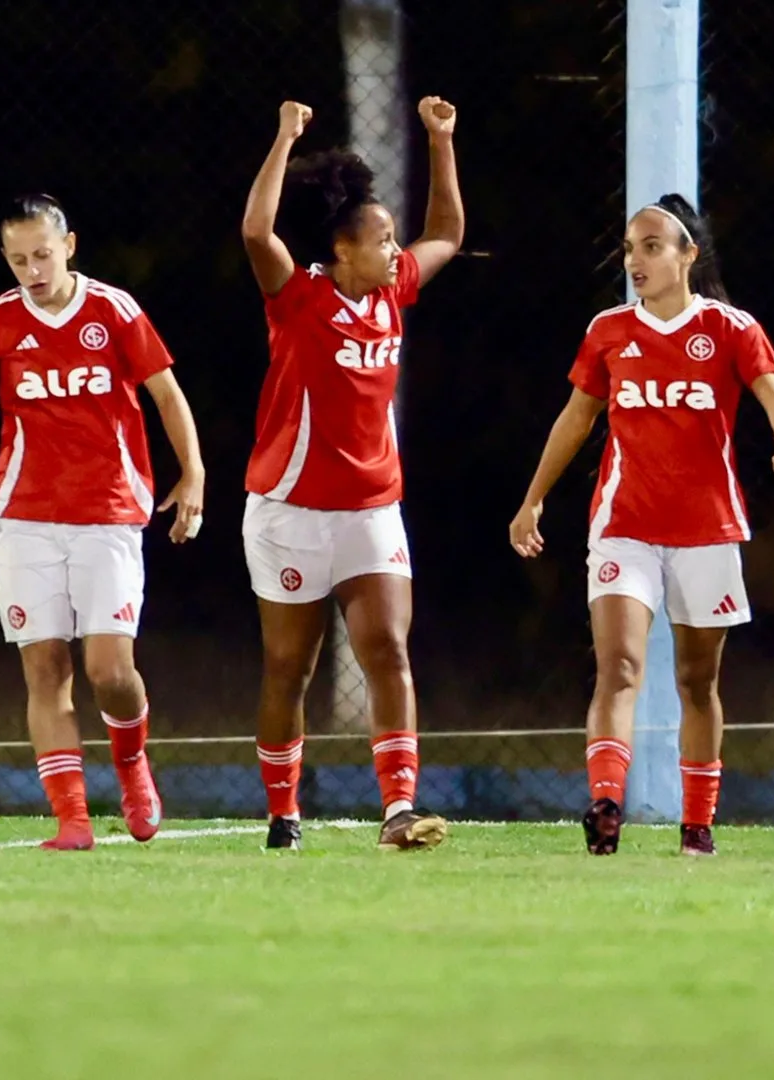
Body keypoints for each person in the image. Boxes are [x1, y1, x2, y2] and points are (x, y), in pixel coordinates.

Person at [509, 195, 774, 857]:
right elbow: (575, 419)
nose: (635, 261)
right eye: (629, 249)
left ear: (687, 256)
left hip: (707, 531)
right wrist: (533, 498)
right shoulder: (610, 331)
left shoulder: (729, 328)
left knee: (698, 682)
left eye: (650, 247)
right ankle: (607, 803)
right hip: (625, 527)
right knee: (617, 667)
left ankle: (696, 826)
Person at [0, 194, 206, 851]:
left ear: (69, 245)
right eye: (18, 259)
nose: (32, 269)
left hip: (107, 511)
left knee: (109, 668)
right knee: (45, 669)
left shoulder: (113, 310)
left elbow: (165, 392)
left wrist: (194, 474)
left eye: (42, 254)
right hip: (24, 518)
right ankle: (71, 818)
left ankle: (132, 767)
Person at [238, 98, 464, 852]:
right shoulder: (299, 298)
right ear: (340, 248)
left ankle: (399, 810)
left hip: (370, 509)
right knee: (288, 669)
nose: (398, 252)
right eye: (381, 240)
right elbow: (254, 231)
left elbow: (449, 235)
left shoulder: (393, 296)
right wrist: (282, 138)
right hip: (289, 511)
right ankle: (282, 814)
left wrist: (440, 142)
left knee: (388, 650)